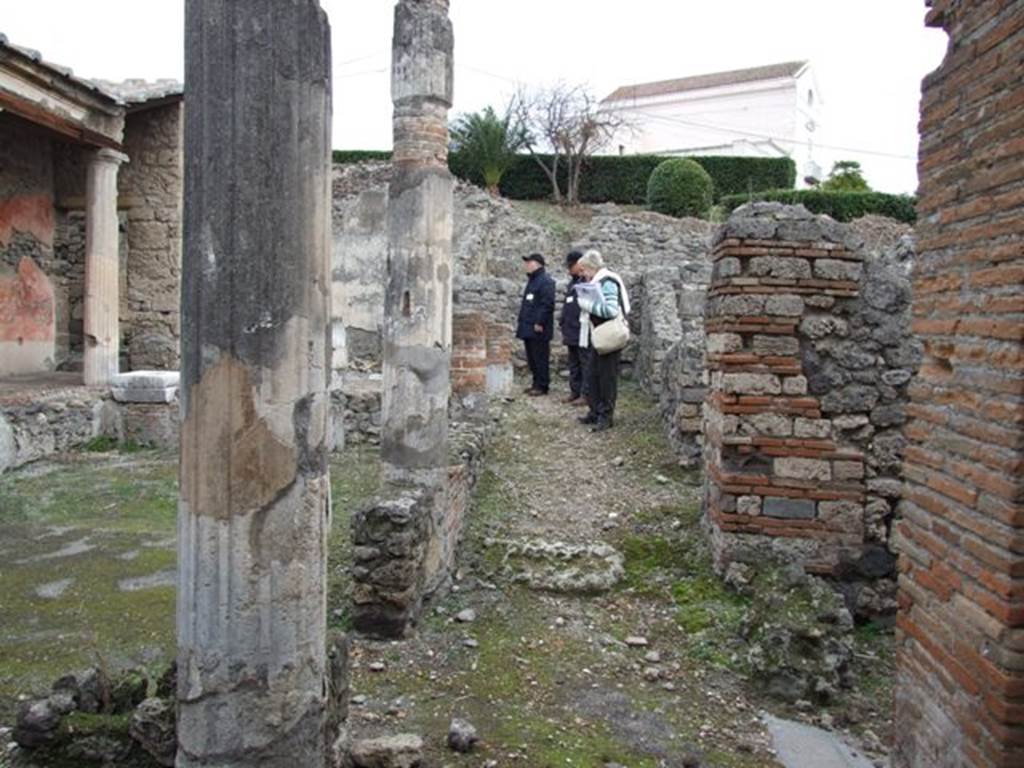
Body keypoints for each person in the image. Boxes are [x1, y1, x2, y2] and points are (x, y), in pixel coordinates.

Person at [575, 249, 630, 431]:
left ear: (592, 268)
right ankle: (595, 412)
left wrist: (587, 304)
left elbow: (611, 310)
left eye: (583, 271)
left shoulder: (607, 282)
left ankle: (606, 416)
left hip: (609, 336)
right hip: (598, 335)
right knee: (593, 375)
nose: (582, 275)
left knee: (607, 377)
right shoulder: (596, 282)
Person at [515, 252, 556, 396]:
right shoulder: (533, 280)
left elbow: (547, 305)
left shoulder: (546, 281)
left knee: (540, 357)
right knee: (532, 357)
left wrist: (539, 322)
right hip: (528, 327)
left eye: (529, 262)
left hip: (538, 328)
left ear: (537, 264)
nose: (526, 265)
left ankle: (542, 385)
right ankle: (536, 383)